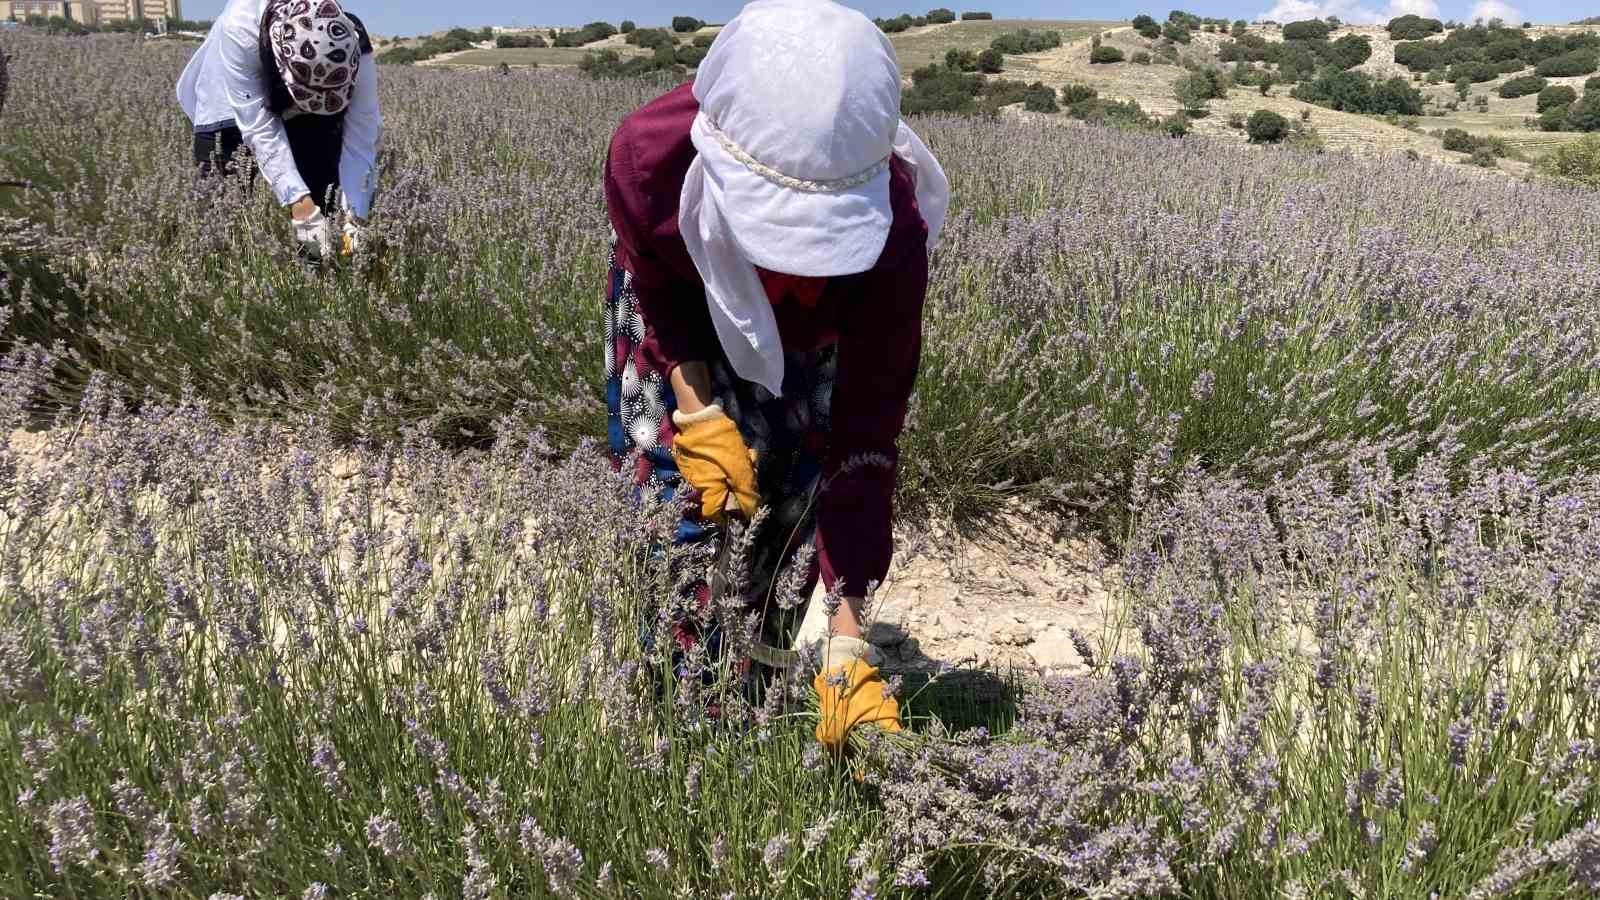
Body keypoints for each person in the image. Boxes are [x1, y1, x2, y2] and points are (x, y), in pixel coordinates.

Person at [602, 0, 949, 754]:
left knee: (793, 504)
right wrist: (693, 407)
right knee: (680, 506)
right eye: (776, 239)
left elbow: (866, 436)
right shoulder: (650, 163)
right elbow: (657, 286)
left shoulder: (894, 242)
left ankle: (757, 687)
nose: (793, 278)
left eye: (818, 248)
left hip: (821, 343)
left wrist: (851, 639)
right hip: (687, 308)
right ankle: (672, 720)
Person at [176, 0, 381, 259]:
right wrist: (299, 203)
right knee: (219, 217)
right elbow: (258, 127)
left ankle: (319, 274)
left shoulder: (351, 38)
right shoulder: (239, 27)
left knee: (324, 198)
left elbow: (363, 132)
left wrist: (355, 215)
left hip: (302, 84)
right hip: (224, 105)